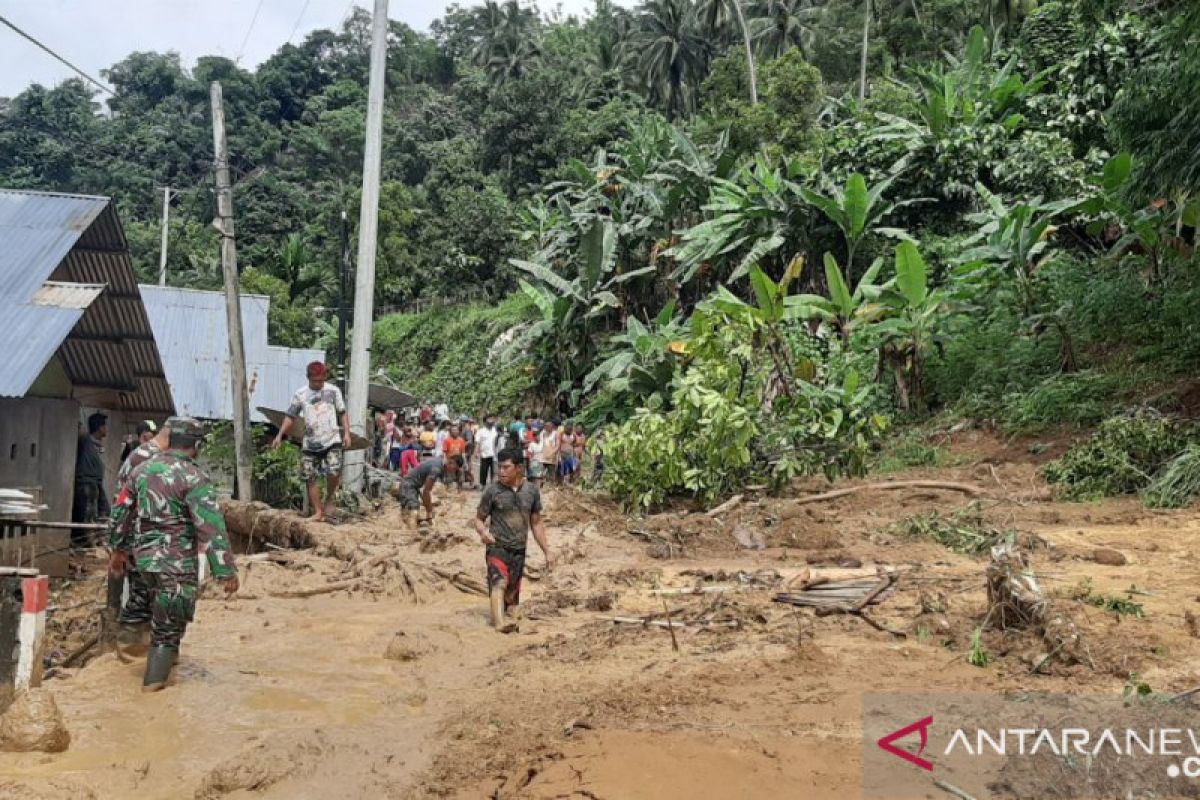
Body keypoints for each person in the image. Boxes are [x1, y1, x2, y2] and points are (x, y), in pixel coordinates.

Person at [109, 417, 239, 691]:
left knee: (150, 610)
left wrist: (118, 550)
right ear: (196, 445)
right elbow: (211, 527)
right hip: (176, 564)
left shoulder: (141, 471)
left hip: (143, 561)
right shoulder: (194, 477)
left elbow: (120, 511)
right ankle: (152, 691)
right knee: (167, 631)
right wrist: (225, 571)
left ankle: (128, 665)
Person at [107, 419, 171, 656]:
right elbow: (123, 505)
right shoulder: (145, 459)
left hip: (146, 542)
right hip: (137, 542)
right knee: (140, 600)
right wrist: (119, 548)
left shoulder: (150, 456)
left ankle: (144, 654)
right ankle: (130, 655)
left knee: (148, 600)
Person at [474, 447, 551, 634]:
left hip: (519, 550)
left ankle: (508, 620)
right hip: (497, 547)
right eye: (499, 467)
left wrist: (548, 551)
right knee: (498, 583)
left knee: (511, 597)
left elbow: (537, 523)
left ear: (519, 468)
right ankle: (499, 625)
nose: (501, 471)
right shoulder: (492, 491)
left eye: (506, 467)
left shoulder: (531, 492)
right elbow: (478, 519)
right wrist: (484, 533)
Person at [272, 362, 351, 524]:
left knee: (334, 470)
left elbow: (342, 413)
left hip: (332, 439)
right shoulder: (300, 394)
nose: (318, 384)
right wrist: (280, 435)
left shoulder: (333, 391)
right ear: (308, 378)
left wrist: (347, 433)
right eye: (315, 381)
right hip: (310, 442)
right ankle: (318, 511)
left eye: (321, 381)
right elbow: (290, 416)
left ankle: (329, 499)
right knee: (309, 476)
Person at [72, 411, 110, 542]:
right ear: (100, 428)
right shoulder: (86, 441)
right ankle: (89, 542)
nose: (106, 429)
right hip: (87, 482)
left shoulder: (95, 444)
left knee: (104, 509)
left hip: (96, 482)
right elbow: (79, 430)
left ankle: (99, 539)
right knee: (89, 513)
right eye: (104, 426)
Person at [394, 455, 444, 528]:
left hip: (411, 486)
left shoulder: (438, 463)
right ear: (451, 463)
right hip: (408, 486)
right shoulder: (436, 469)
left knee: (407, 514)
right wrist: (429, 512)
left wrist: (429, 511)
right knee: (413, 512)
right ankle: (412, 534)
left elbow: (424, 491)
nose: (453, 471)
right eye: (455, 469)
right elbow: (426, 491)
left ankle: (406, 532)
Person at [443, 425, 468, 491]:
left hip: (459, 461)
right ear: (450, 432)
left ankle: (460, 490)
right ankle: (449, 490)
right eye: (453, 430)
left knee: (461, 474)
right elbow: (444, 452)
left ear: (458, 431)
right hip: (450, 461)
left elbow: (463, 453)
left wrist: (465, 462)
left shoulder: (461, 440)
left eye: (456, 430)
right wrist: (445, 461)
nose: (455, 431)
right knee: (450, 477)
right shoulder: (447, 440)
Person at [537, 419, 560, 488]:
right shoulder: (543, 433)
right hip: (543, 456)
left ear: (552, 426)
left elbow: (558, 445)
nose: (547, 427)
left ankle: (551, 488)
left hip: (551, 457)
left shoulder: (556, 433)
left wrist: (552, 453)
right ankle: (541, 487)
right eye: (546, 426)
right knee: (540, 472)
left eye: (549, 426)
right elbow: (540, 442)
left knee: (551, 473)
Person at [477, 416, 499, 487]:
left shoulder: (495, 431)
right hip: (485, 454)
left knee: (494, 471)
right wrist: (476, 453)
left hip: (494, 455)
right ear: (485, 421)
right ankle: (482, 484)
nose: (491, 421)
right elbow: (478, 443)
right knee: (483, 471)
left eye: (492, 419)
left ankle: (493, 486)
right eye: (489, 419)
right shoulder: (481, 431)